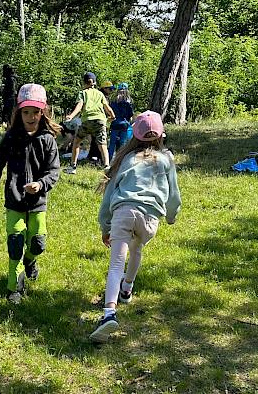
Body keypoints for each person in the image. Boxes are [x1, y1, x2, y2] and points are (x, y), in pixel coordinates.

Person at [89, 111, 181, 343]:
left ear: (134, 136)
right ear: (160, 136)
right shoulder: (166, 160)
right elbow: (173, 195)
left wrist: (105, 225)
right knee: (137, 249)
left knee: (116, 263)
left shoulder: (127, 159)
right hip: (150, 219)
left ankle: (109, 312)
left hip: (124, 212)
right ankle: (127, 289)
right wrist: (171, 216)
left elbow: (109, 195)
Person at [0, 84, 60, 304]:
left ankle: (31, 261)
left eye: (35, 112)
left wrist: (41, 184)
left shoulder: (47, 140)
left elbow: (54, 171)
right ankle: (13, 287)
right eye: (26, 112)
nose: (31, 116)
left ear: (42, 112)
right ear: (19, 113)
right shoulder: (11, 138)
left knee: (38, 242)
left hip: (37, 202)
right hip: (14, 200)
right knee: (15, 242)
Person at [63, 72, 115, 174]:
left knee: (76, 142)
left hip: (87, 120)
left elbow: (79, 106)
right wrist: (111, 117)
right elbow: (107, 108)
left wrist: (71, 116)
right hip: (100, 120)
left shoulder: (83, 93)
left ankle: (73, 167)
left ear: (84, 83)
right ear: (95, 83)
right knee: (103, 144)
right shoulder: (100, 94)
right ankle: (107, 166)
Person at [108, 82, 134, 160]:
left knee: (112, 143)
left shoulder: (113, 101)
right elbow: (131, 114)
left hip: (115, 124)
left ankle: (108, 159)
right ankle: (120, 160)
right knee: (123, 143)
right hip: (124, 125)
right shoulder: (128, 102)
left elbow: (111, 112)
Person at [0, 64, 19, 129]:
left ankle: (10, 128)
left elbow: (12, 90)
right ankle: (9, 127)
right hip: (10, 99)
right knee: (7, 113)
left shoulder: (11, 79)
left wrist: (6, 94)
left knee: (9, 114)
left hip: (10, 99)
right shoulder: (11, 78)